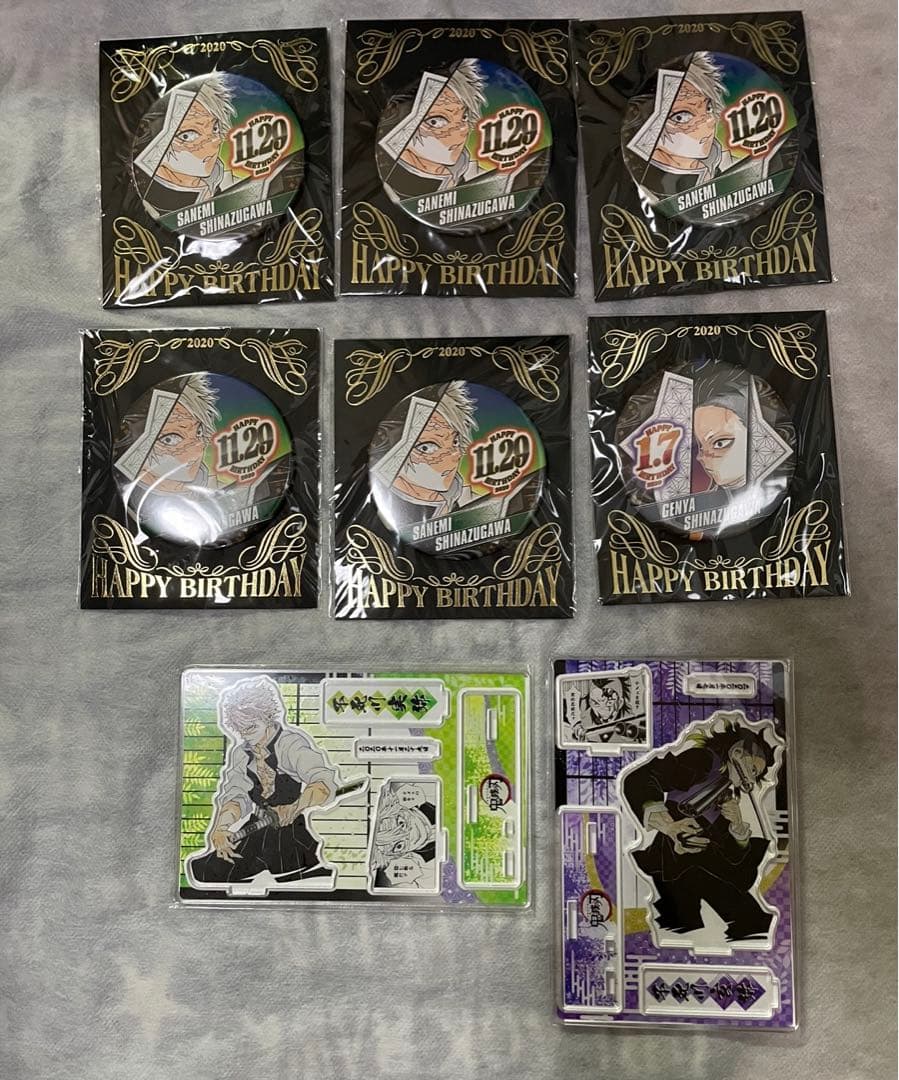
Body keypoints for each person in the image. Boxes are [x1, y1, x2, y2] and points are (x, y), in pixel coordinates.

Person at [622, 714, 778, 942]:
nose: (751, 781)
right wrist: (670, 827)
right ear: (737, 753)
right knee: (700, 920)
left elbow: (735, 860)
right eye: (752, 770)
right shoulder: (703, 761)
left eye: (755, 776)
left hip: (700, 860)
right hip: (675, 858)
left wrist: (736, 825)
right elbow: (641, 777)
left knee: (741, 920)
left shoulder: (726, 796)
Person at [186, 676, 341, 890]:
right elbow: (236, 795)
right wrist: (221, 828)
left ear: (266, 717)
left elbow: (322, 783)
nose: (247, 736)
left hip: (289, 831)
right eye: (241, 730)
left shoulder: (290, 744)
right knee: (204, 871)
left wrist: (295, 807)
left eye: (251, 727)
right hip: (255, 829)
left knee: (294, 877)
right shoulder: (241, 754)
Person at [114, 373, 287, 545]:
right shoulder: (141, 504)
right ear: (137, 447)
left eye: (198, 432)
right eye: (170, 439)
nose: (197, 451)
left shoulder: (228, 488)